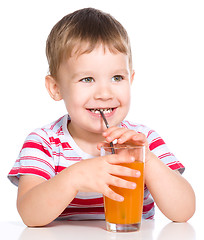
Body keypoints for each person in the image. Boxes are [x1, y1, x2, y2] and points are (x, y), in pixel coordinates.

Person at [8, 8, 195, 227]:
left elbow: (184, 211)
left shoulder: (144, 140)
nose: (104, 94)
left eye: (117, 77)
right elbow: (30, 216)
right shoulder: (44, 143)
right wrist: (74, 177)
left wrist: (147, 159)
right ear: (56, 88)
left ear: (131, 79)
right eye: (87, 79)